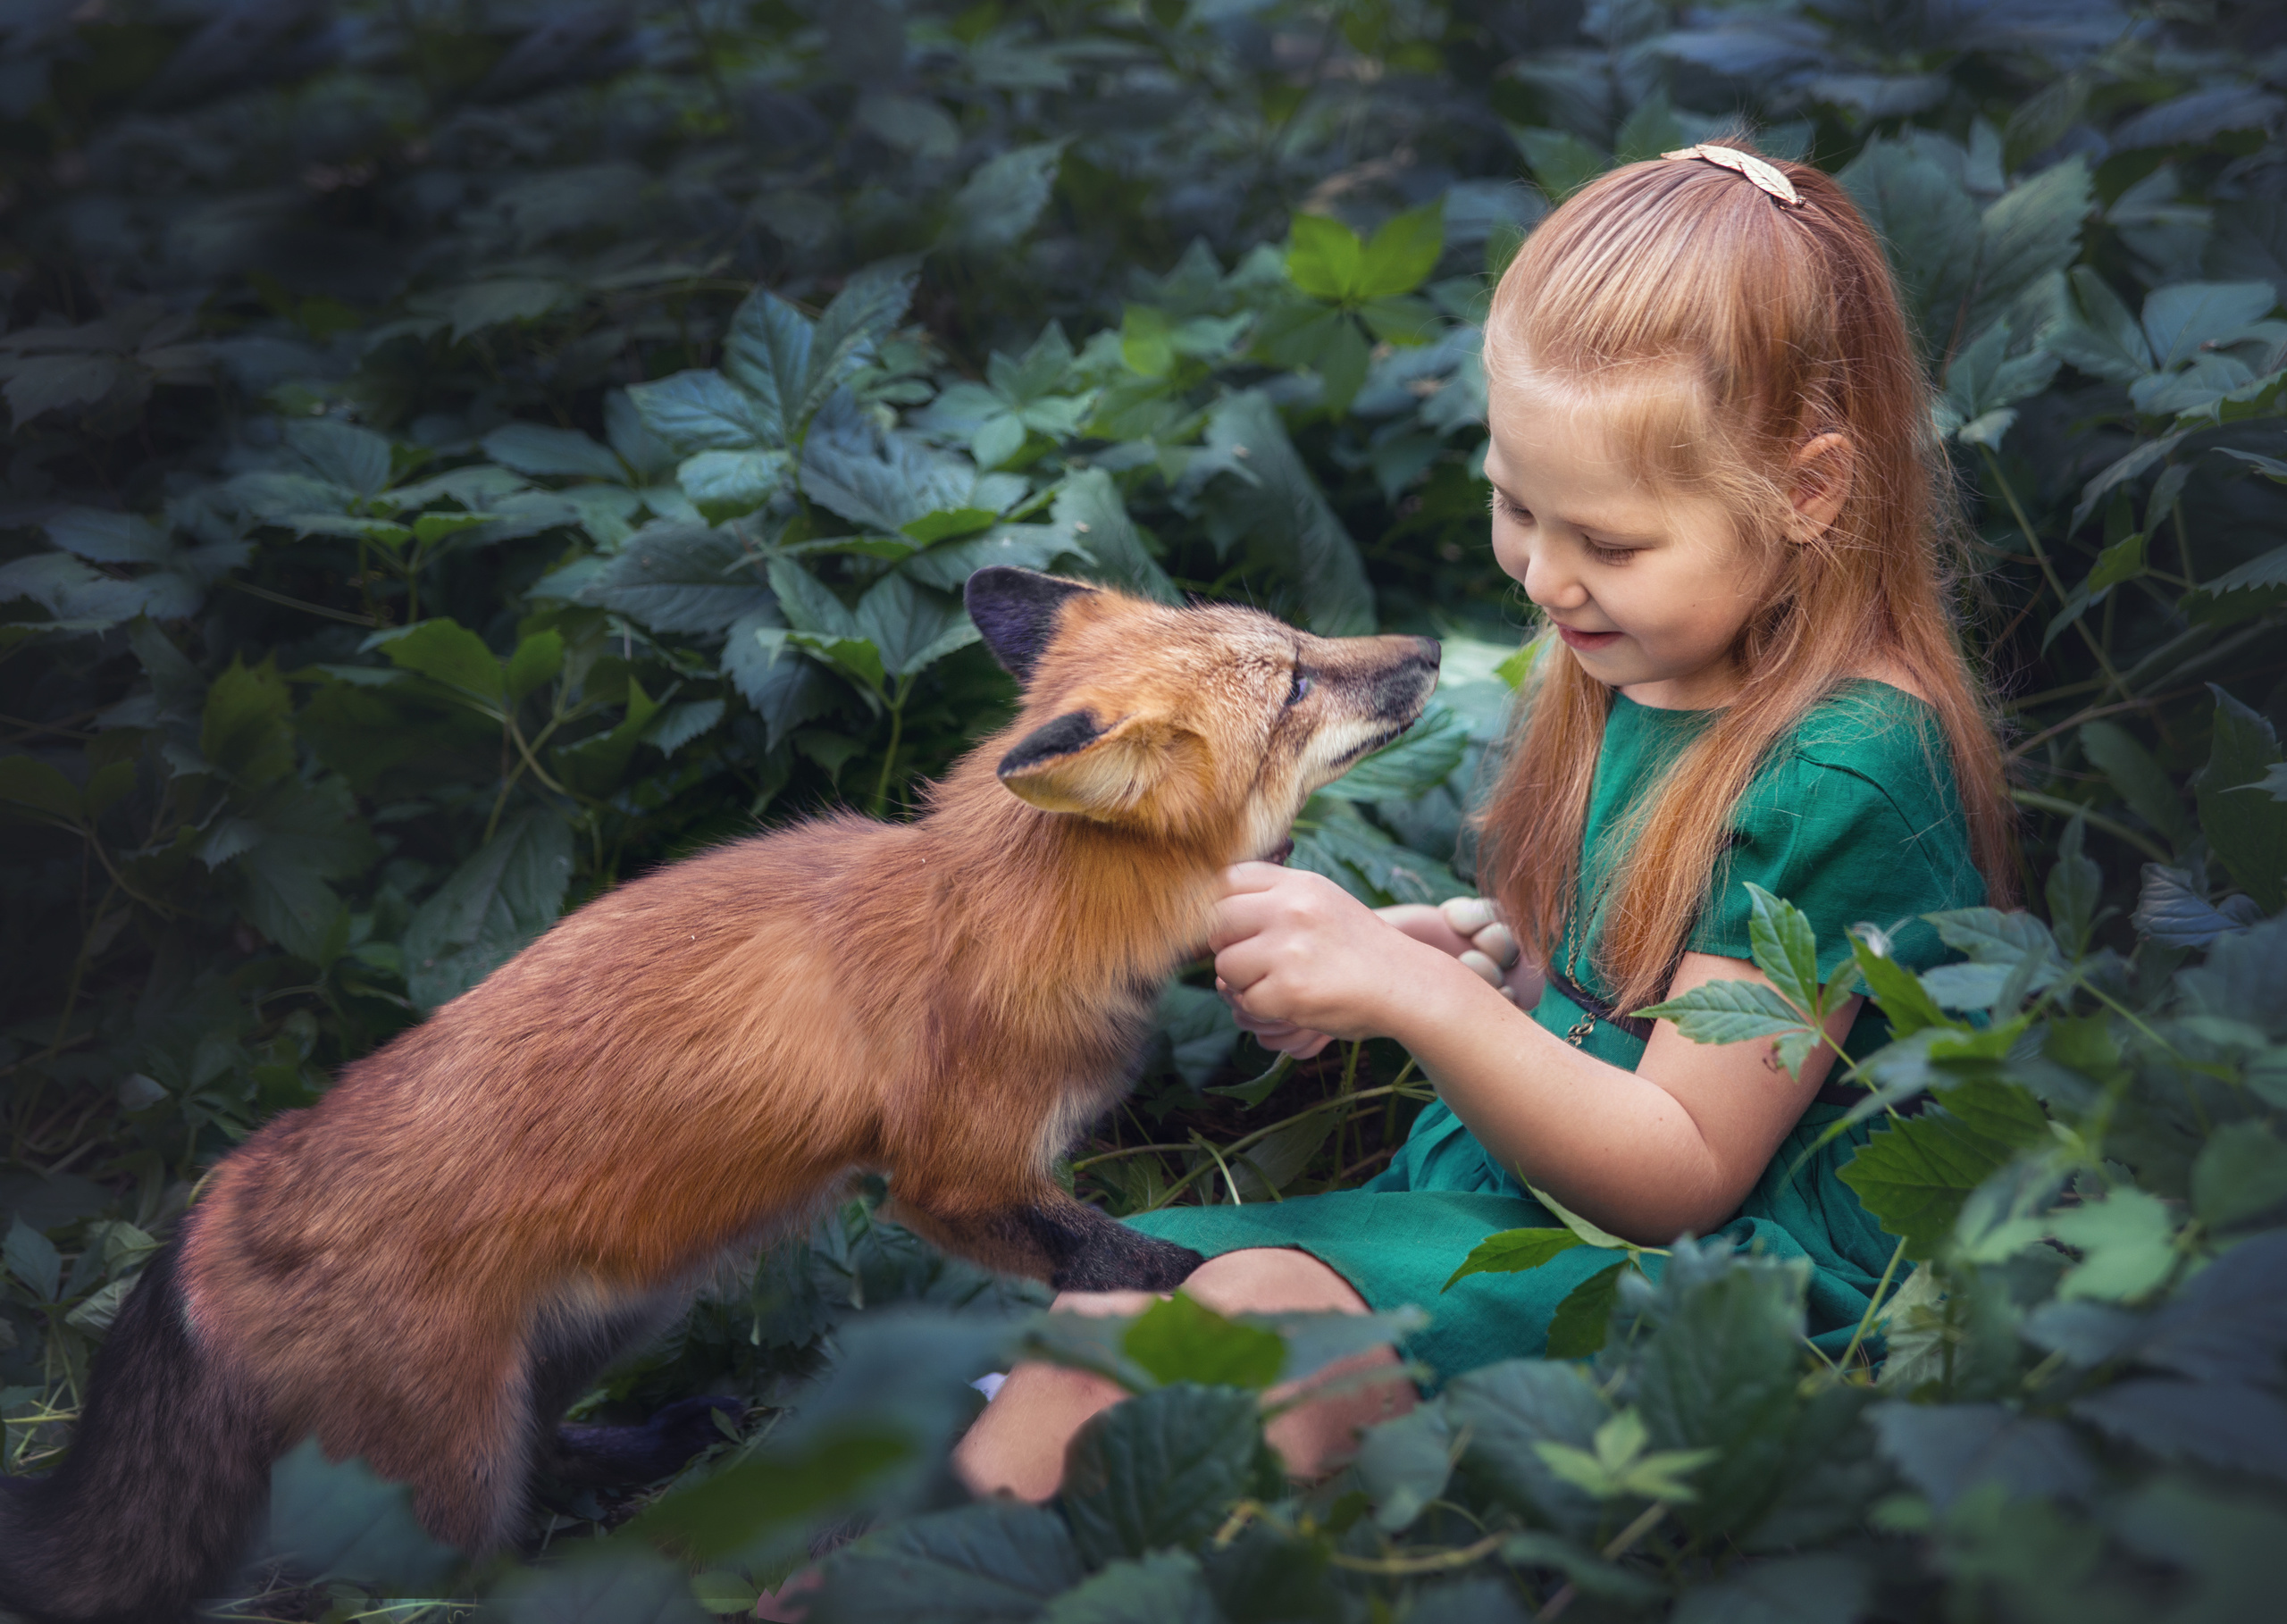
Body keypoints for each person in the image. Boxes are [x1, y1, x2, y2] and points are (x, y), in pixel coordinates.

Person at [951, 141, 2018, 1503]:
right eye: (1518, 504)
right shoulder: (1649, 653)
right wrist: (1455, 970)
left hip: (1718, 1276)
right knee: (1106, 1305)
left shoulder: (1851, 764)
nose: (1547, 575)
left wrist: (1418, 1001)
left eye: (1612, 541)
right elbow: (1616, 983)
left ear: (1809, 493)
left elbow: (1683, 1165)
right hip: (1529, 1197)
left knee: (1250, 1326)